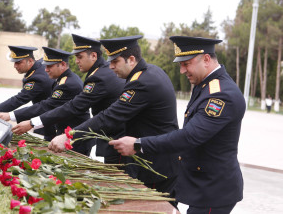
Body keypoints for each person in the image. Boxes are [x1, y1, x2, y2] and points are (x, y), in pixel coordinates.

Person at [110, 36, 245, 214]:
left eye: (186, 63)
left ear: (205, 59)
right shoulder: (205, 85)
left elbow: (189, 136)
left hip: (213, 190)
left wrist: (138, 144)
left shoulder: (221, 95)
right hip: (199, 184)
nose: (182, 70)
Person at [49, 35, 179, 198]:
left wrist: (68, 136)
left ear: (131, 59)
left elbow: (109, 116)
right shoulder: (150, 72)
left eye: (115, 61)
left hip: (156, 165)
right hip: (160, 159)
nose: (110, 66)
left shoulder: (142, 82)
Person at [29, 34, 126, 164]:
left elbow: (74, 106)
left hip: (118, 137)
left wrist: (33, 123)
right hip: (111, 135)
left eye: (79, 57)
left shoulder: (99, 77)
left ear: (94, 56)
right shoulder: (99, 73)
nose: (76, 61)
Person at [0, 46, 91, 154]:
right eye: (45, 66)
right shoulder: (62, 80)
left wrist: (18, 118)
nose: (46, 70)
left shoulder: (68, 84)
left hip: (74, 140)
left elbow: (46, 106)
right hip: (65, 135)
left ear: (63, 65)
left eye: (49, 66)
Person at [0, 45, 54, 137]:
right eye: (14, 62)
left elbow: (19, 99)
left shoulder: (38, 78)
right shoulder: (39, 65)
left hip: (51, 120)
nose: (15, 66)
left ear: (30, 61)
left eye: (18, 62)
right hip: (45, 114)